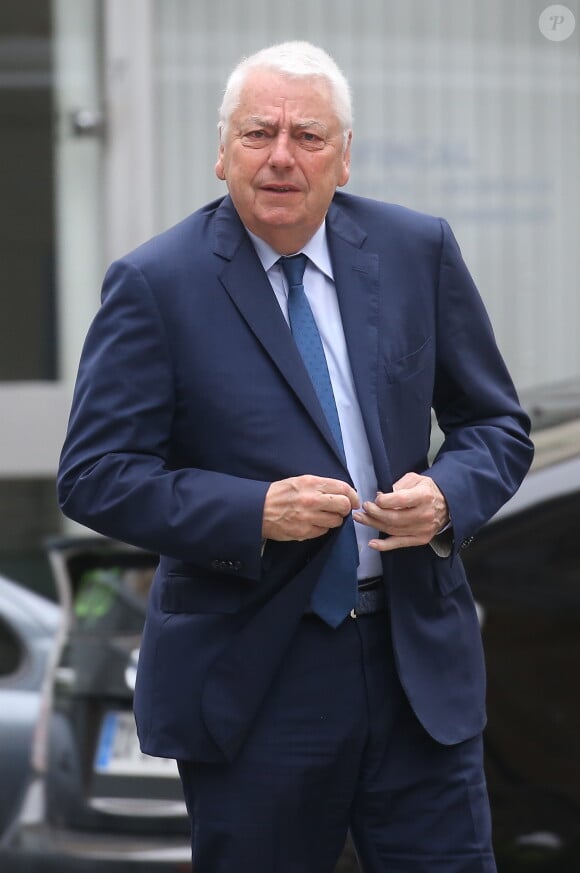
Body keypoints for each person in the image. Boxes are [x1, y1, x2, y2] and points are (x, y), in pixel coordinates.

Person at [57, 40, 534, 873]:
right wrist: (252, 512)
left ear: (343, 157)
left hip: (414, 664)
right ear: (221, 153)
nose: (281, 156)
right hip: (256, 682)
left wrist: (450, 495)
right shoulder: (155, 283)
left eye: (308, 136)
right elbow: (95, 473)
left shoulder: (415, 251)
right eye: (258, 133)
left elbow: (496, 424)